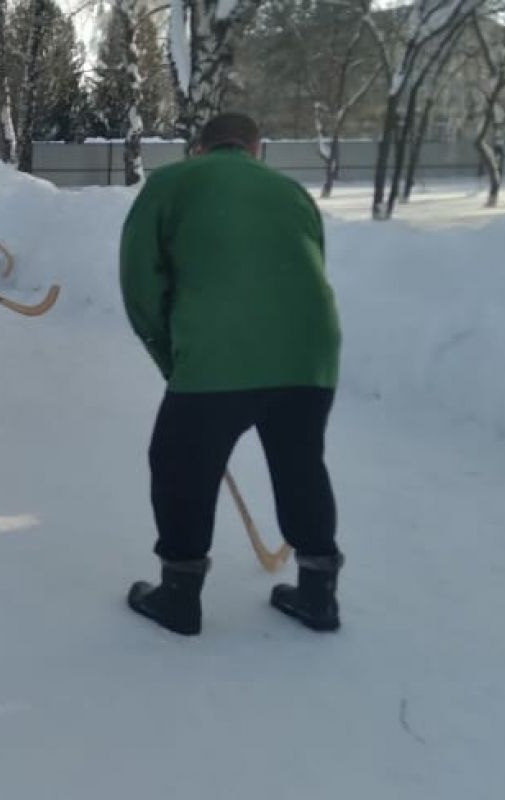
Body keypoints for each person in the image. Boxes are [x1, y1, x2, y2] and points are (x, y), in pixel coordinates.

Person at [119, 112, 343, 636]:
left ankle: (179, 593)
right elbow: (311, 267)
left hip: (219, 353)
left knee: (180, 464)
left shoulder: (171, 182)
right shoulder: (291, 192)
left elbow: (139, 278)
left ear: (199, 148)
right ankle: (318, 593)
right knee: (300, 463)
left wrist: (170, 354)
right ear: (255, 148)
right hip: (309, 354)